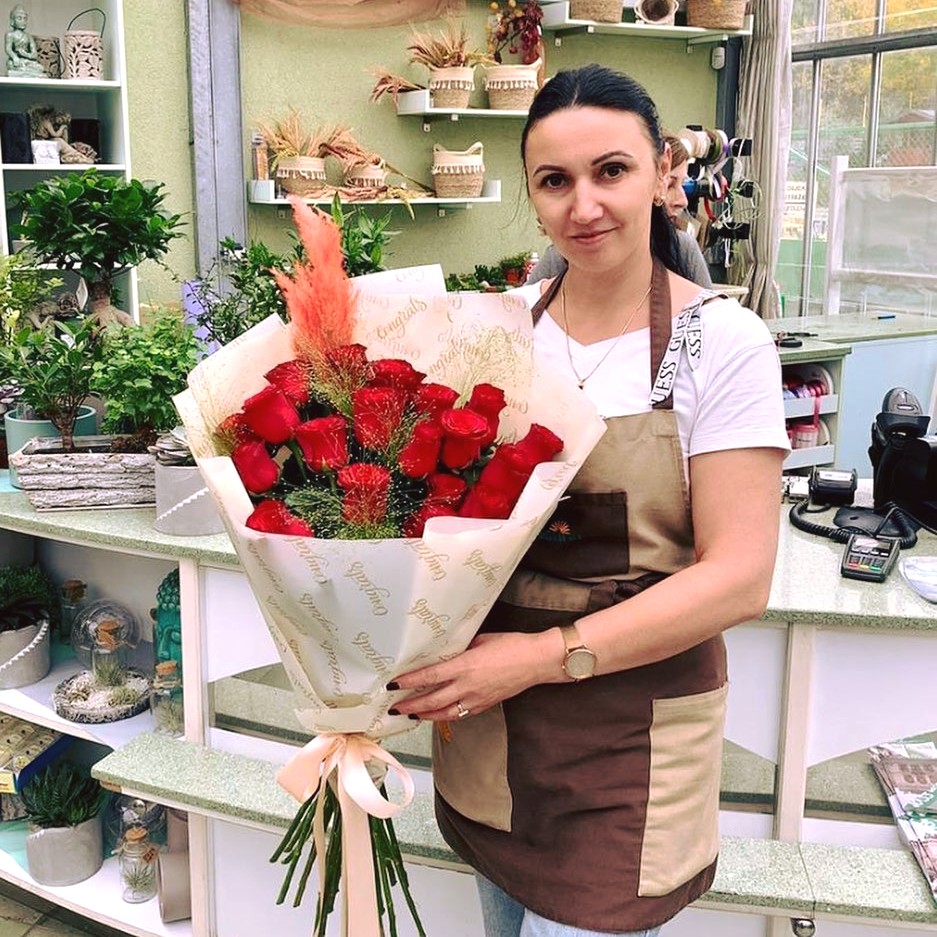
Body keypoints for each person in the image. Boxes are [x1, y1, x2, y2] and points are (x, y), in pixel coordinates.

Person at [389, 64, 789, 937]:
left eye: (610, 170)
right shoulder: (496, 332)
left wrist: (534, 658)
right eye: (554, 180)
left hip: (630, 749)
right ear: (532, 198)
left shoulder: (718, 341)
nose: (584, 204)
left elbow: (737, 579)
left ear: (661, 176)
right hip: (489, 730)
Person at [529, 131, 713, 288]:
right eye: (555, 181)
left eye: (613, 171)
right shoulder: (558, 259)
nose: (682, 201)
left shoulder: (681, 250)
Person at [5, 4, 44, 77]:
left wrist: (25, 54)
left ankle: (26, 72)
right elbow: (8, 49)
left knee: (40, 68)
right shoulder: (10, 35)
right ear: (13, 20)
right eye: (19, 18)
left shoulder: (28, 37)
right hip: (16, 61)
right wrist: (14, 57)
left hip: (27, 61)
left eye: (24, 18)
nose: (22, 21)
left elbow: (34, 55)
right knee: (10, 64)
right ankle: (24, 72)